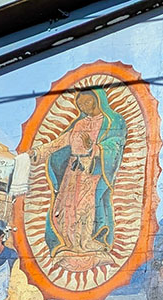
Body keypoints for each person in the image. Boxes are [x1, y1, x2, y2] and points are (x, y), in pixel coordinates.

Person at [30, 89, 126, 271]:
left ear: (98, 101)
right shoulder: (80, 123)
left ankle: (85, 243)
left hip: (91, 171)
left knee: (85, 207)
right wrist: (38, 152)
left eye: (88, 103)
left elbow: (115, 145)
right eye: (81, 105)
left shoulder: (111, 122)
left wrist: (95, 148)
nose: (85, 107)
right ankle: (71, 245)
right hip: (72, 172)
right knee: (66, 208)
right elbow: (61, 142)